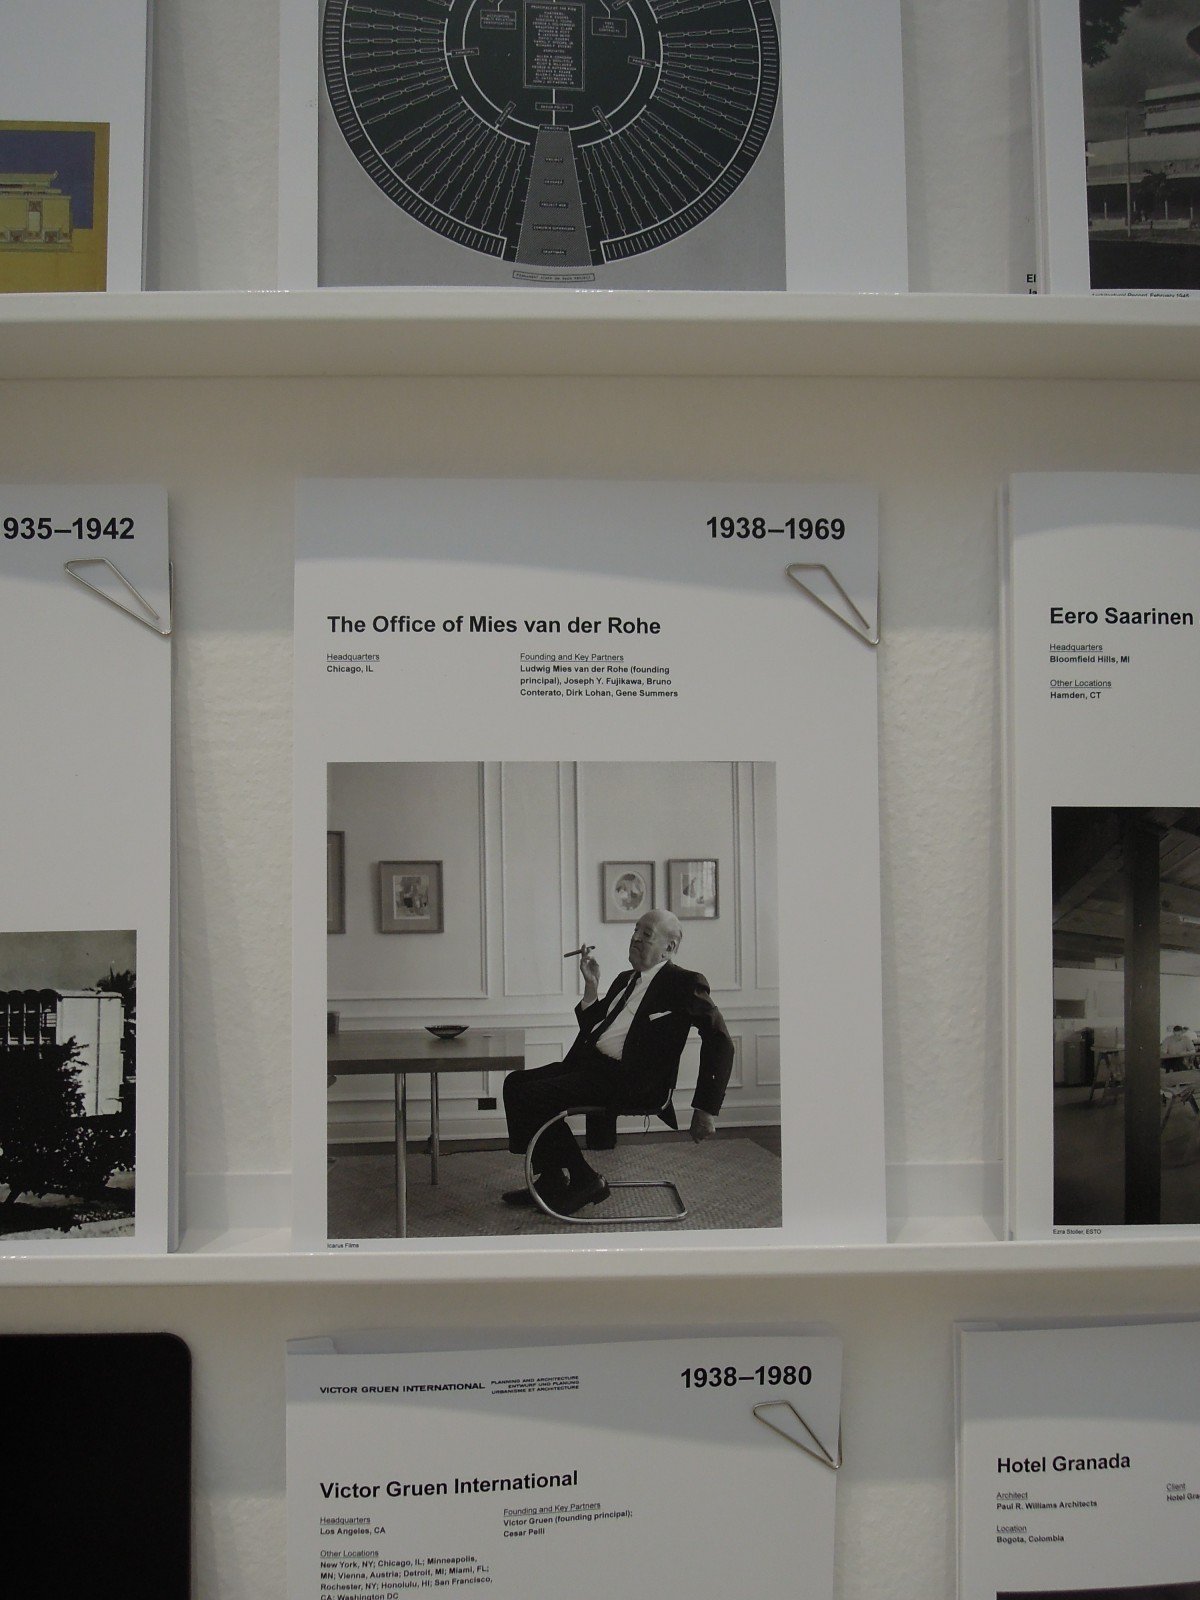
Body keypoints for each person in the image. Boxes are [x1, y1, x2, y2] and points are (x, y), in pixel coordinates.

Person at [501, 908, 734, 1215]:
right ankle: (552, 1179)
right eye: (635, 930)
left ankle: (585, 1179)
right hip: (590, 1067)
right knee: (515, 1083)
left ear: (669, 947)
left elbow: (719, 1040)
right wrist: (591, 987)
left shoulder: (683, 983)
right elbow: (594, 1030)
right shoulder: (625, 979)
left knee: (533, 1096)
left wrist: (705, 1108)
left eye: (646, 934)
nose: (635, 937)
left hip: (630, 1082)